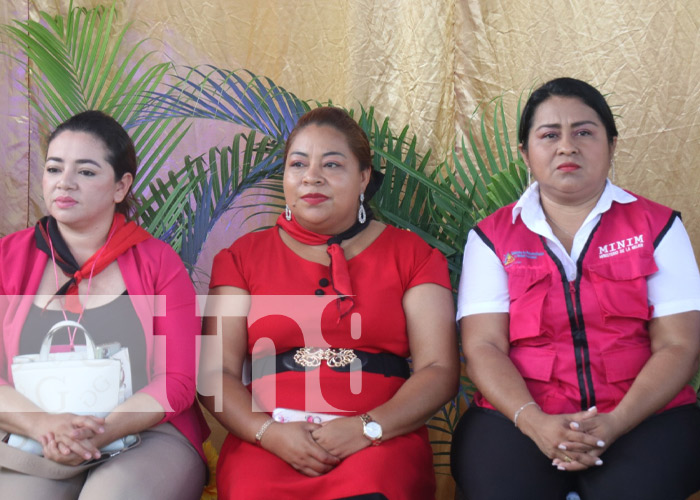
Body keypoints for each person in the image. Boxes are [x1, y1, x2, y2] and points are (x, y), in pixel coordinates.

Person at [450, 77, 700, 500]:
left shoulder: (658, 228)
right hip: (518, 419)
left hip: (643, 416)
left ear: (611, 145)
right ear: (525, 153)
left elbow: (679, 345)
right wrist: (536, 423)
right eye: (549, 135)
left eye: (584, 132)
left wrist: (615, 422)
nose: (567, 146)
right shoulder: (491, 238)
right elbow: (483, 348)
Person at [199, 106, 459, 499]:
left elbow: (439, 369)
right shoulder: (241, 257)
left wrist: (367, 428)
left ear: (364, 178)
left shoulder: (413, 254)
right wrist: (270, 435)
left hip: (380, 442)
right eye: (298, 164)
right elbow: (216, 374)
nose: (312, 177)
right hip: (270, 441)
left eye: (332, 164)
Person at [0, 111, 209, 500]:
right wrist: (44, 425)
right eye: (54, 168)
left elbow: (178, 381)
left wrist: (99, 429)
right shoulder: (6, 259)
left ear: (120, 186)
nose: (65, 182)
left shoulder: (159, 262)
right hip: (34, 432)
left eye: (87, 172)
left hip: (145, 434)